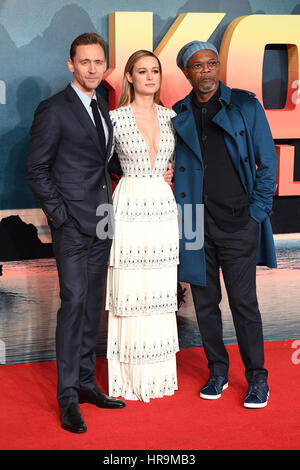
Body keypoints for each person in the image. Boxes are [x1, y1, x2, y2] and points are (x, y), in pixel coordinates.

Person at [26, 33, 127, 434]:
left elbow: (103, 163)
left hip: (102, 219)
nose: (91, 69)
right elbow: (36, 169)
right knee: (73, 305)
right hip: (71, 226)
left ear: (105, 65)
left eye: (98, 62)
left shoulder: (102, 103)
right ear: (71, 64)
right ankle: (67, 396)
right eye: (84, 62)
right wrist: (60, 216)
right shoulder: (53, 109)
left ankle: (87, 384)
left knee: (90, 307)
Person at [172, 40, 278, 408]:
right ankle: (217, 370)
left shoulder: (245, 105)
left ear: (218, 66)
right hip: (195, 224)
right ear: (187, 72)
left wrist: (257, 213)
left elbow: (268, 162)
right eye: (198, 66)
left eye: (211, 63)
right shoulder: (178, 113)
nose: (206, 71)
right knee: (205, 305)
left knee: (244, 303)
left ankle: (257, 379)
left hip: (238, 223)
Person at [105, 50, 179, 402]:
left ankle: (159, 377)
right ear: (130, 78)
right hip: (129, 204)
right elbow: (96, 166)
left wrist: (172, 172)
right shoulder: (114, 119)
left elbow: (183, 163)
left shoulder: (172, 117)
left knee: (160, 291)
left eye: (155, 71)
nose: (150, 77)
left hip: (163, 208)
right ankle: (129, 379)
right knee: (131, 288)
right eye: (141, 71)